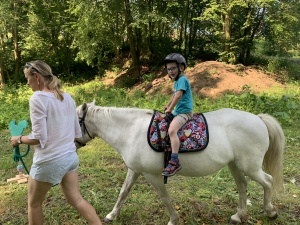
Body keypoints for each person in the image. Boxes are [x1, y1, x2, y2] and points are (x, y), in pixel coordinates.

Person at [10, 60, 102, 225]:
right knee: (77, 200)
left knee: (34, 203)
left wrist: (18, 139)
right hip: (70, 158)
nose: (27, 82)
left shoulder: (37, 98)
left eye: (27, 78)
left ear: (36, 77)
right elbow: (76, 132)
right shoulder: (67, 97)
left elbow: (38, 137)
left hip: (49, 161)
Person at [162, 53, 193, 177]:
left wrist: (170, 109)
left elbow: (179, 95)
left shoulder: (183, 80)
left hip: (184, 112)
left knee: (172, 131)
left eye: (173, 68)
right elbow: (174, 95)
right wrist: (168, 105)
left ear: (181, 67)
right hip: (178, 111)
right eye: (168, 69)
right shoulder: (177, 82)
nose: (170, 71)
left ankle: (174, 160)